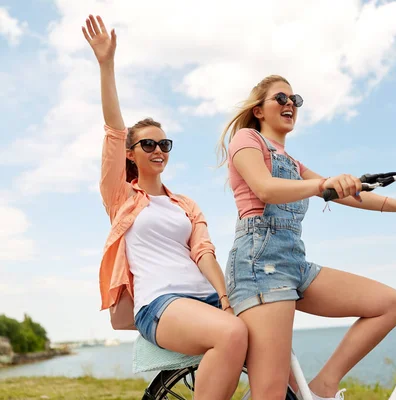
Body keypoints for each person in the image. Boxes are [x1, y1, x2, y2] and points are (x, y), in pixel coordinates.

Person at [217, 75, 396, 400]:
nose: (290, 105)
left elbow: (345, 195)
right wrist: (322, 185)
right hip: (259, 265)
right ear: (258, 110)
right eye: (281, 98)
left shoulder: (293, 163)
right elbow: (265, 188)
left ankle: (323, 386)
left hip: (293, 263)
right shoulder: (247, 139)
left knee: (387, 304)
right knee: (271, 393)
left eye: (295, 100)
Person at [85, 15, 247, 400]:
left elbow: (203, 252)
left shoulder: (185, 204)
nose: (158, 150)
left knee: (270, 336)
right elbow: (113, 129)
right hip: (160, 303)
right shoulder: (121, 197)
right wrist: (107, 65)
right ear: (131, 153)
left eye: (164, 144)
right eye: (148, 144)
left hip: (204, 296)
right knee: (232, 333)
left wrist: (225, 298)